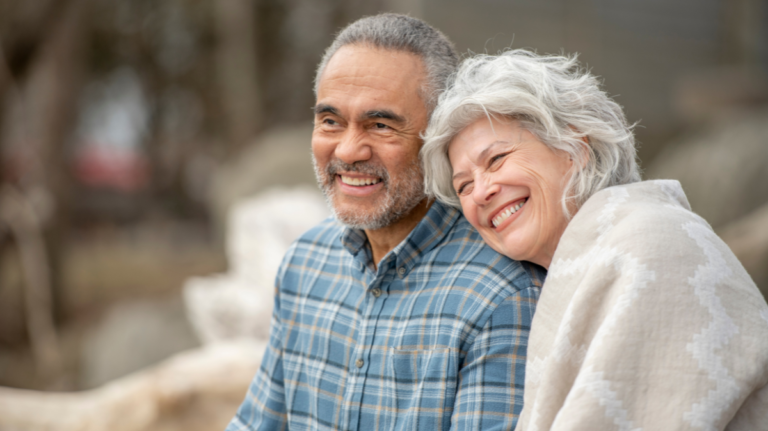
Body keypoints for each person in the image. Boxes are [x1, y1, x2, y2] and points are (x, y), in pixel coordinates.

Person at [226, 15, 545, 431]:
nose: (348, 149)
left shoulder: (501, 294)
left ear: (439, 138)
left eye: (380, 125)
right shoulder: (304, 261)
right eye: (330, 121)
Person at [422, 49, 768, 430]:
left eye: (497, 159)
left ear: (575, 149)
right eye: (464, 185)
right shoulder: (579, 263)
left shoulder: (652, 244)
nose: (481, 192)